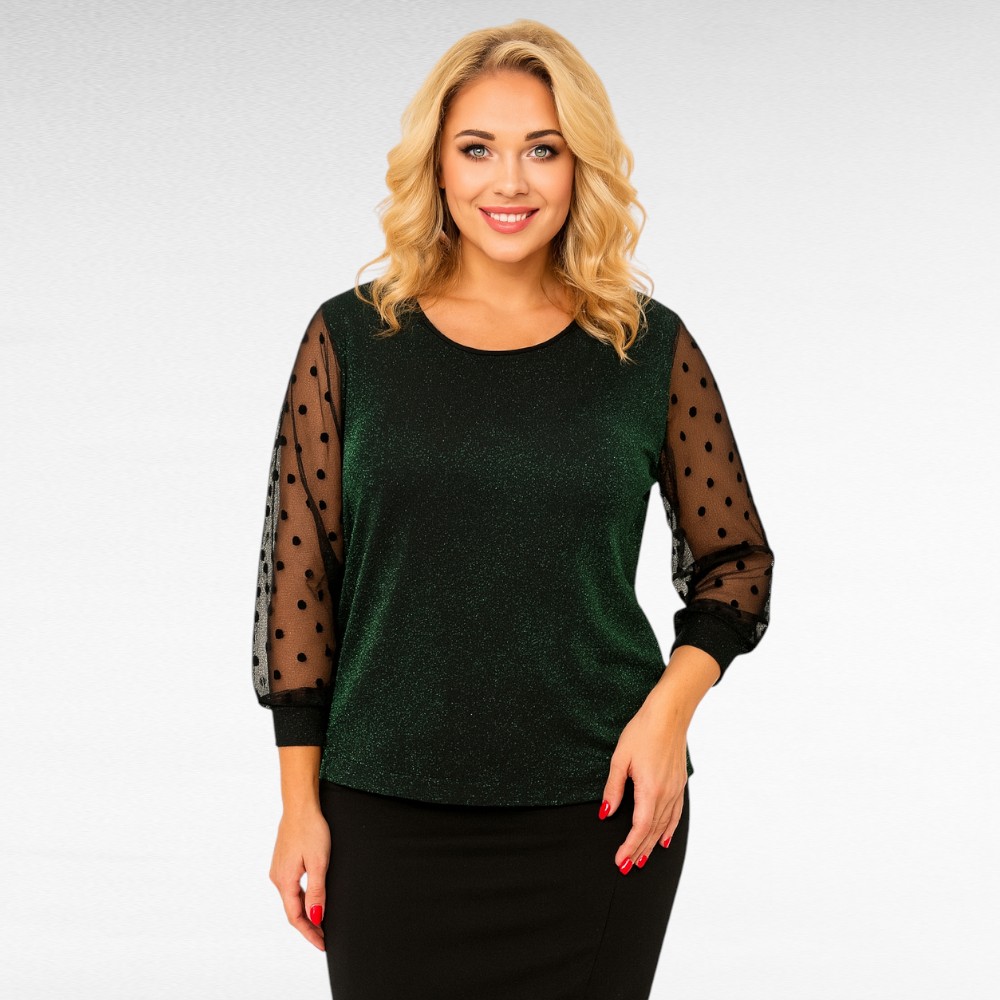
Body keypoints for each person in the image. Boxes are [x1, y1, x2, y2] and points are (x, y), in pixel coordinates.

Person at [250, 18, 774, 1000]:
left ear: (579, 168)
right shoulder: (351, 342)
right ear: (437, 167)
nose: (510, 181)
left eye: (543, 150)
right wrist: (297, 802)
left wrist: (668, 714)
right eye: (477, 148)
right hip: (383, 812)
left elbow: (736, 562)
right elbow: (300, 582)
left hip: (599, 809)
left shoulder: (644, 349)